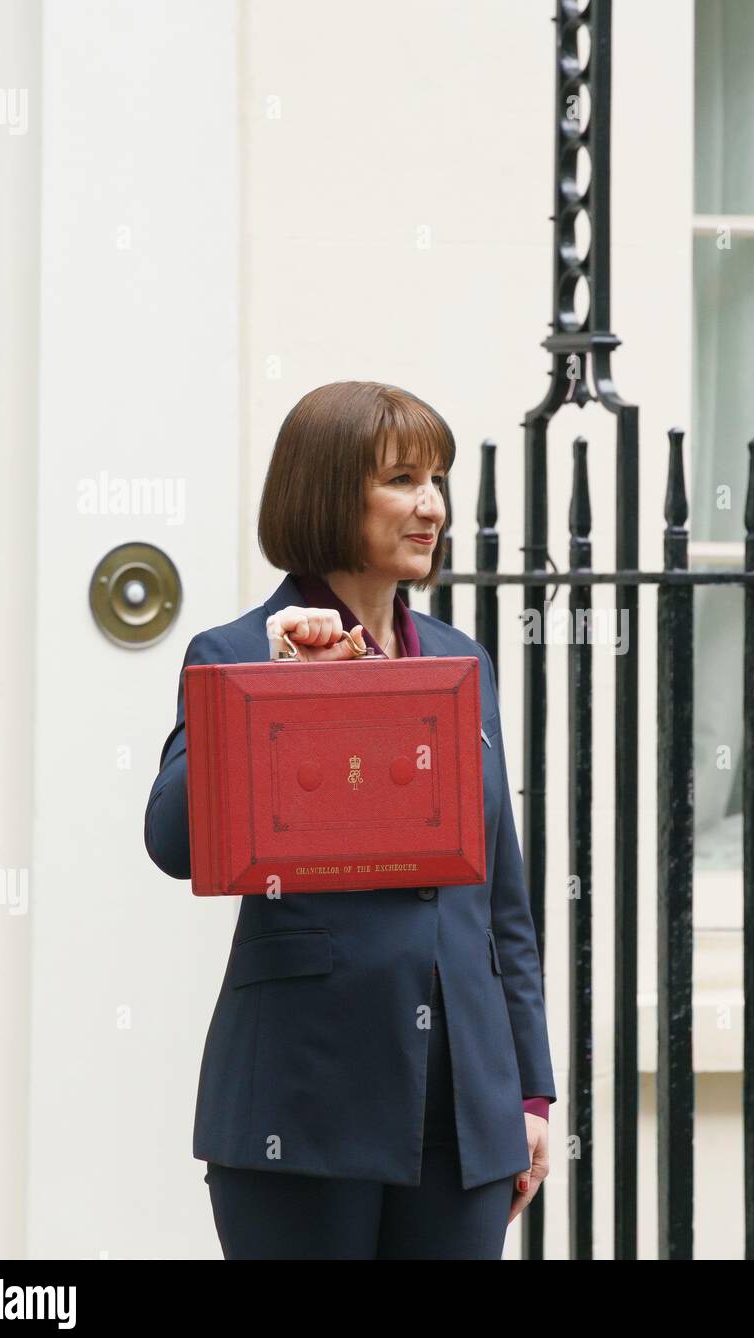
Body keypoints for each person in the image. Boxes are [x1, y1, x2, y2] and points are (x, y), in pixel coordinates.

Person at [143, 380, 556, 1258]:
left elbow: (501, 901)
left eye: (438, 479)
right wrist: (275, 688)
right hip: (302, 1100)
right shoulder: (233, 652)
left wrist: (525, 1093)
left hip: (460, 1108)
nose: (432, 505)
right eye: (403, 479)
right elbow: (174, 842)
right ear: (329, 493)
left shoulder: (461, 660)